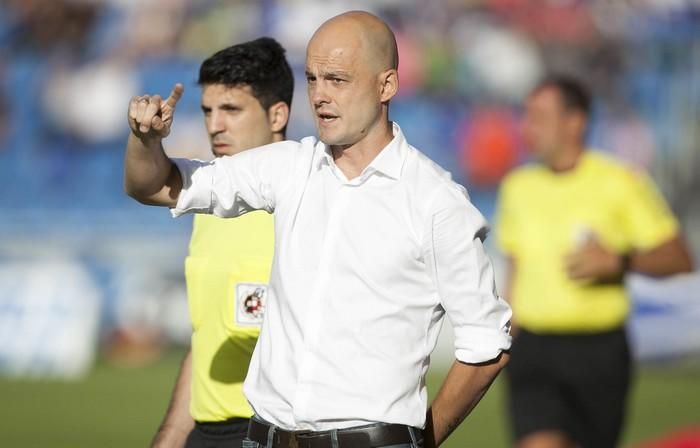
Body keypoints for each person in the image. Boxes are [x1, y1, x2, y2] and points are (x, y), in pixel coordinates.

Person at [125, 11, 512, 448]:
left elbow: (487, 345)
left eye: (337, 80)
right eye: (312, 79)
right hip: (265, 437)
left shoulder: (435, 201)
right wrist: (145, 141)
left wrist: (426, 439)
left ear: (386, 85)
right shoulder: (290, 167)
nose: (320, 96)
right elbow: (157, 186)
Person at [495, 75, 694, 448]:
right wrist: (507, 338)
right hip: (534, 351)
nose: (527, 127)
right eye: (526, 116)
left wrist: (619, 261)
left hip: (598, 352)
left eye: (539, 116)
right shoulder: (517, 187)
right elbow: (515, 271)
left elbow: (680, 258)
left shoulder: (620, 182)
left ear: (575, 122)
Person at [150, 37, 294, 448]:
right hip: (208, 433)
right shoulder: (209, 199)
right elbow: (205, 339)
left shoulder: (307, 203)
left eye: (231, 109)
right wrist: (173, 434)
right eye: (208, 110)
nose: (214, 124)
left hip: (276, 432)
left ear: (277, 113)